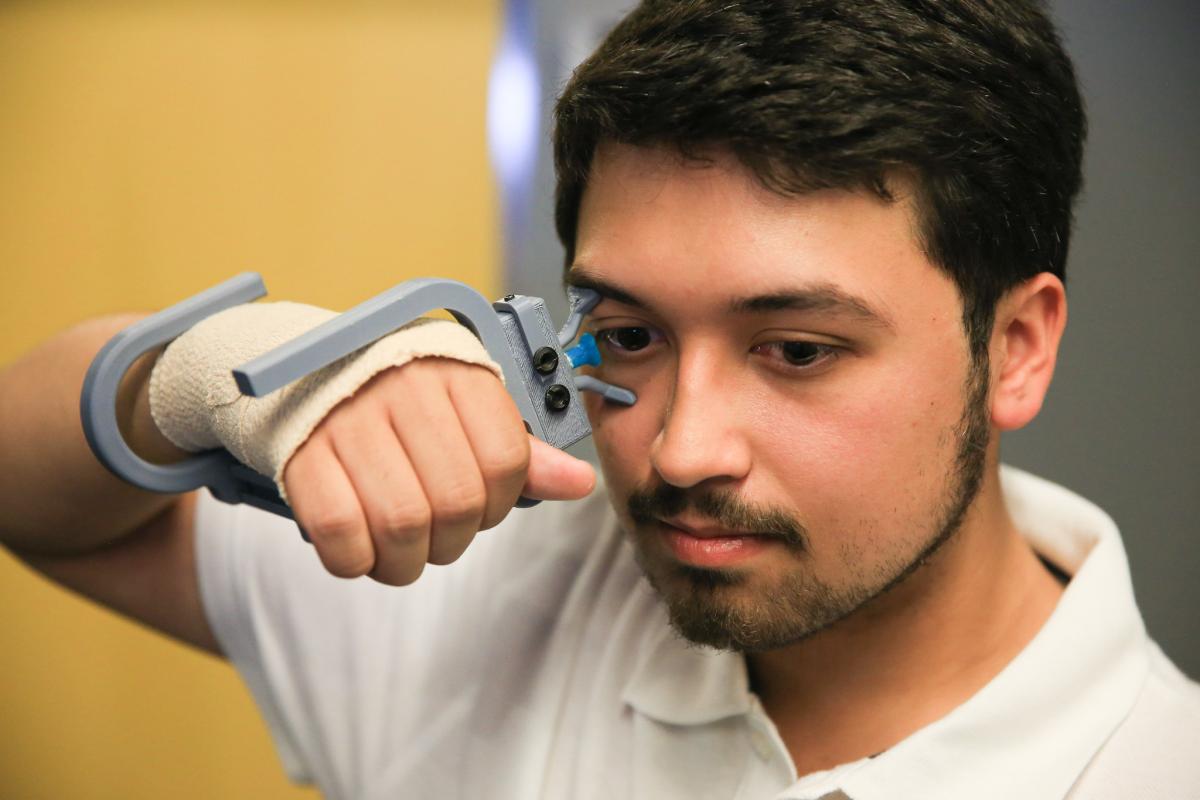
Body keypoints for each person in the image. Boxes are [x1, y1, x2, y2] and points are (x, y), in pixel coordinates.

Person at [1, 0, 1197, 797]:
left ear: (1021, 345)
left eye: (796, 349)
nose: (680, 449)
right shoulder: (477, 593)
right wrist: (207, 372)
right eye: (627, 333)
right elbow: (29, 493)